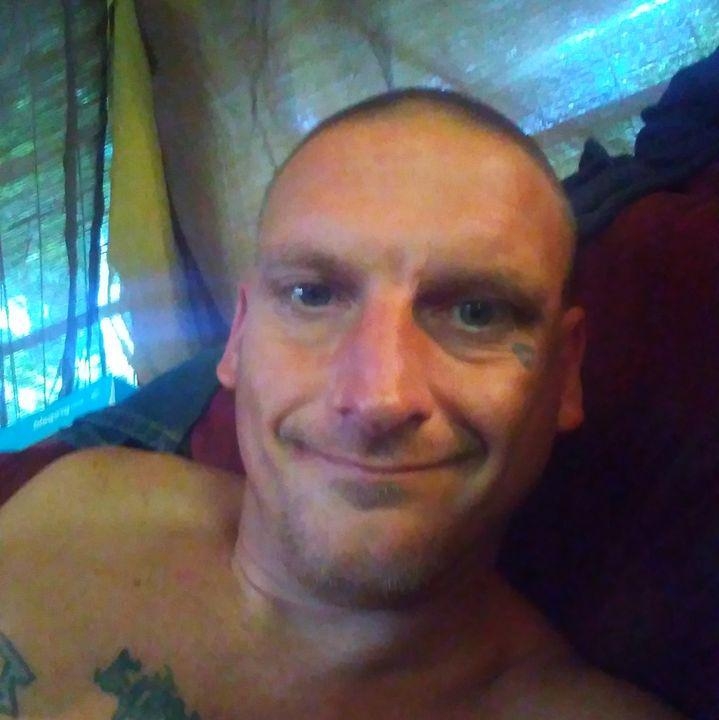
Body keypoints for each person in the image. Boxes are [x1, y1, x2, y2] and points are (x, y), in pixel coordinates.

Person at [0, 88, 685, 719]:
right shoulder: (69, 498)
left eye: (476, 312)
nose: (378, 398)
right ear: (237, 338)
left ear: (564, 372)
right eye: (313, 295)